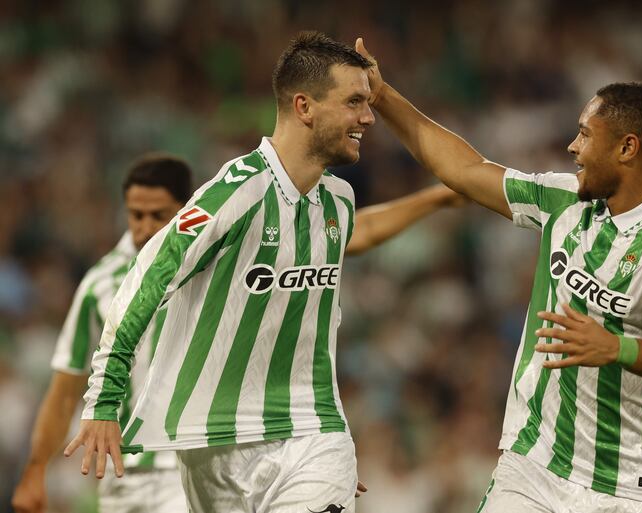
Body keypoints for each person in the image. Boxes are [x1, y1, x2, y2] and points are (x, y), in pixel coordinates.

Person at [63, 32, 463, 513]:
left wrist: (328, 453)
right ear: (304, 107)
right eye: (355, 102)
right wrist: (104, 399)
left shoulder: (339, 198)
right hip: (213, 443)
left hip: (311, 430)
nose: (368, 117)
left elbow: (329, 302)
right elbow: (146, 277)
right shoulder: (235, 193)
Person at [356, 39, 642, 513]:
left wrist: (614, 346)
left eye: (586, 134)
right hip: (534, 464)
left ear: (628, 148)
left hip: (626, 486)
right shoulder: (562, 201)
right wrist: (382, 97)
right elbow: (463, 169)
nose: (573, 146)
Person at [12, 154, 194, 513]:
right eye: (135, 215)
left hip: (188, 469)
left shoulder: (210, 270)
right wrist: (35, 470)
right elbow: (65, 393)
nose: (144, 227)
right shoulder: (100, 284)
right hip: (121, 476)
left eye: (158, 216)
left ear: (185, 211)